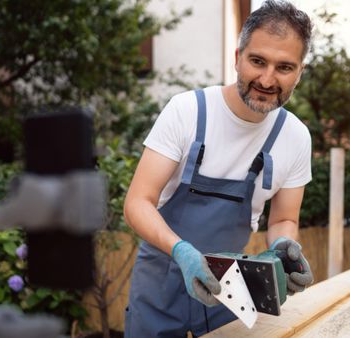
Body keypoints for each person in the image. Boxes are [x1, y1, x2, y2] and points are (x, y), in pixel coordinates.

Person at [123, 1, 314, 336]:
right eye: (258, 61)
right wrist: (181, 251)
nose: (267, 79)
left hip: (227, 294)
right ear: (237, 56)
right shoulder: (187, 112)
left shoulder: (295, 137)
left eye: (284, 67)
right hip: (158, 288)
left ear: (300, 72)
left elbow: (284, 219)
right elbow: (138, 202)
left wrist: (284, 250)